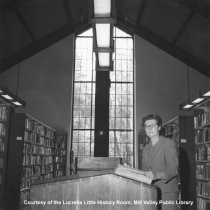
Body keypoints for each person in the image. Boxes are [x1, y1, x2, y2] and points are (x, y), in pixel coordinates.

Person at [141, 114, 178, 210]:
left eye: (152, 125)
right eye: (146, 126)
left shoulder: (168, 143)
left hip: (167, 192)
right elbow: (145, 170)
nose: (149, 128)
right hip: (150, 191)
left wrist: (155, 175)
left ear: (159, 127)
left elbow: (173, 169)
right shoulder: (145, 149)